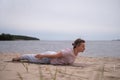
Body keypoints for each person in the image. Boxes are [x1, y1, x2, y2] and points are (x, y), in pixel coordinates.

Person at [12, 38, 85, 65]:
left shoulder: (76, 52)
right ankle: (18, 58)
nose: (84, 48)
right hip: (49, 58)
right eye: (83, 46)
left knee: (32, 57)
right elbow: (56, 56)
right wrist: (42, 56)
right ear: (77, 46)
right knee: (31, 58)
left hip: (51, 57)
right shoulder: (68, 51)